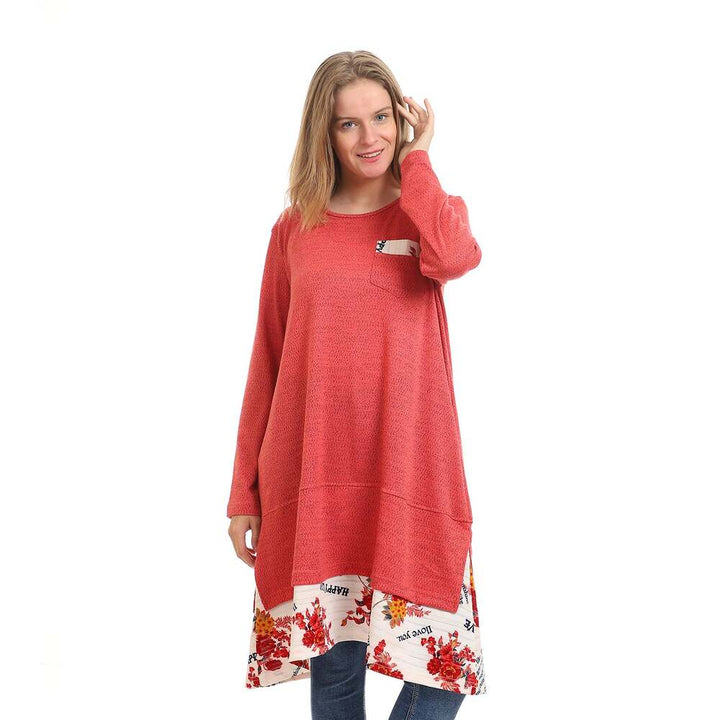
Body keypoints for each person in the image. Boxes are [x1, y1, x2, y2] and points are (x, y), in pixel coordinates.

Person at [227, 50, 486, 718]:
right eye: (348, 123)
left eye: (382, 118)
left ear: (402, 120)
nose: (370, 137)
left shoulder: (428, 214)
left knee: (444, 671)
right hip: (316, 477)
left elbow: (456, 256)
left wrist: (418, 162)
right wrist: (242, 492)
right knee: (336, 676)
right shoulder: (296, 229)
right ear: (325, 132)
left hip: (411, 472)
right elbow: (268, 359)